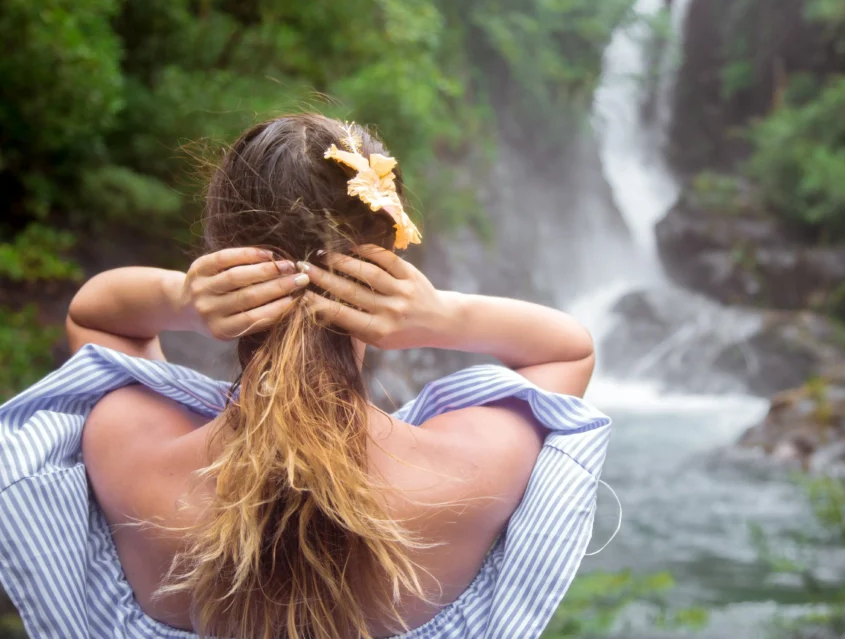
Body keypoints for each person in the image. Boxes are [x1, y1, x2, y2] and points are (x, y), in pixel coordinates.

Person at [0, 114, 611, 639]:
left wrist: (183, 300)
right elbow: (565, 350)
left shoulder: (132, 464)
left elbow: (97, 318)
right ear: (388, 267)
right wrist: (439, 318)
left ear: (220, 258)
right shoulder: (470, 475)